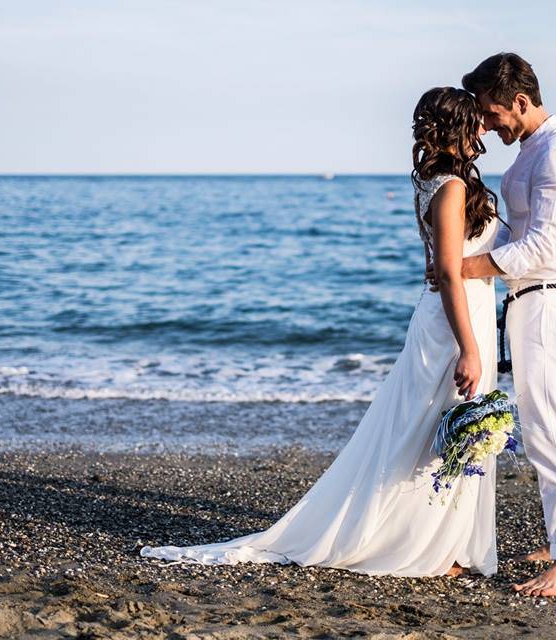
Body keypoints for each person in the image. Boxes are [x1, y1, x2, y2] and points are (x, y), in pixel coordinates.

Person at [140, 87, 504, 577]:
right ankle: (423, 548)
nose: (484, 128)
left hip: (452, 315)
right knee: (428, 432)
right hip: (452, 324)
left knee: (435, 429)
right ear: (458, 127)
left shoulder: (435, 181)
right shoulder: (451, 187)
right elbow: (445, 271)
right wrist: (470, 348)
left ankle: (441, 544)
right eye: (476, 121)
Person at [429, 52, 556, 597]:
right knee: (542, 426)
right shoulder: (532, 153)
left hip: (549, 300)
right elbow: (514, 234)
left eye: (492, 112)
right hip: (529, 302)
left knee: (552, 429)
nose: (487, 124)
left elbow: (544, 244)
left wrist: (464, 267)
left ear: (520, 102)